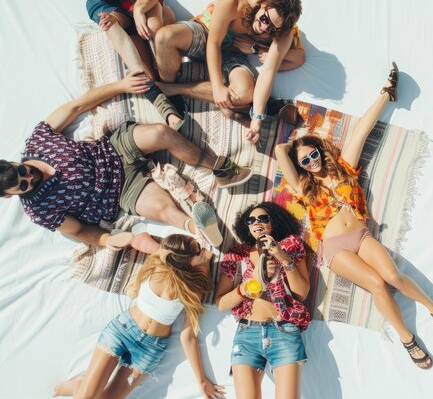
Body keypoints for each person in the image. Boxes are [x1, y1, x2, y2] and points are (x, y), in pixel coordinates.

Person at [275, 63, 433, 369]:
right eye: (304, 160)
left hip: (361, 236)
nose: (310, 161)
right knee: (376, 283)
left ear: (321, 151)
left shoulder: (344, 167)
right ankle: (406, 338)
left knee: (392, 276)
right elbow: (282, 151)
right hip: (335, 249)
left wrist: (386, 94)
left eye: (313, 154)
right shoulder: (304, 187)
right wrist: (295, 140)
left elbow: (362, 129)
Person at [0, 71, 252, 250]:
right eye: (23, 185)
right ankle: (199, 228)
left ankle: (220, 168)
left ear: (14, 162)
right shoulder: (39, 210)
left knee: (160, 133)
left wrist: (121, 86)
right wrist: (106, 240)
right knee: (161, 209)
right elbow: (78, 230)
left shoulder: (39, 141)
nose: (30, 178)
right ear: (9, 196)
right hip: (119, 191)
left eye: (23, 171)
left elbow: (77, 107)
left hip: (114, 149)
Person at [52, 234, 226, 399]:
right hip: (123, 330)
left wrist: (201, 381)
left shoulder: (194, 286)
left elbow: (188, 336)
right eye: (198, 249)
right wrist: (162, 250)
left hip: (150, 348)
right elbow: (139, 237)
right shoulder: (158, 262)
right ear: (183, 258)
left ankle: (82, 385)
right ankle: (71, 387)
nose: (203, 250)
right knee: (87, 397)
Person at [154, 0, 304, 143]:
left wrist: (257, 120)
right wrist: (217, 86)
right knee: (164, 37)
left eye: (272, 29)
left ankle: (171, 90)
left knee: (244, 93)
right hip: (207, 33)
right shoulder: (237, 0)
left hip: (233, 55)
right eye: (265, 19)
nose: (264, 28)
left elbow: (268, 72)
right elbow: (214, 42)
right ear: (263, 3)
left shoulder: (283, 32)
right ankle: (167, 91)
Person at [214, 202, 310, 398]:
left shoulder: (291, 245)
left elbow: (302, 293)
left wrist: (282, 257)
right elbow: (220, 303)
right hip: (247, 333)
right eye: (251, 220)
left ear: (273, 223)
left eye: (263, 218)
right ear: (247, 227)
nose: (257, 222)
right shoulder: (237, 255)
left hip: (284, 329)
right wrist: (246, 287)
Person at [85, 0, 186, 130]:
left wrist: (139, 8)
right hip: (110, 5)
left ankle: (165, 87)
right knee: (109, 23)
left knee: (153, 27)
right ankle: (156, 94)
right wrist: (116, 19)